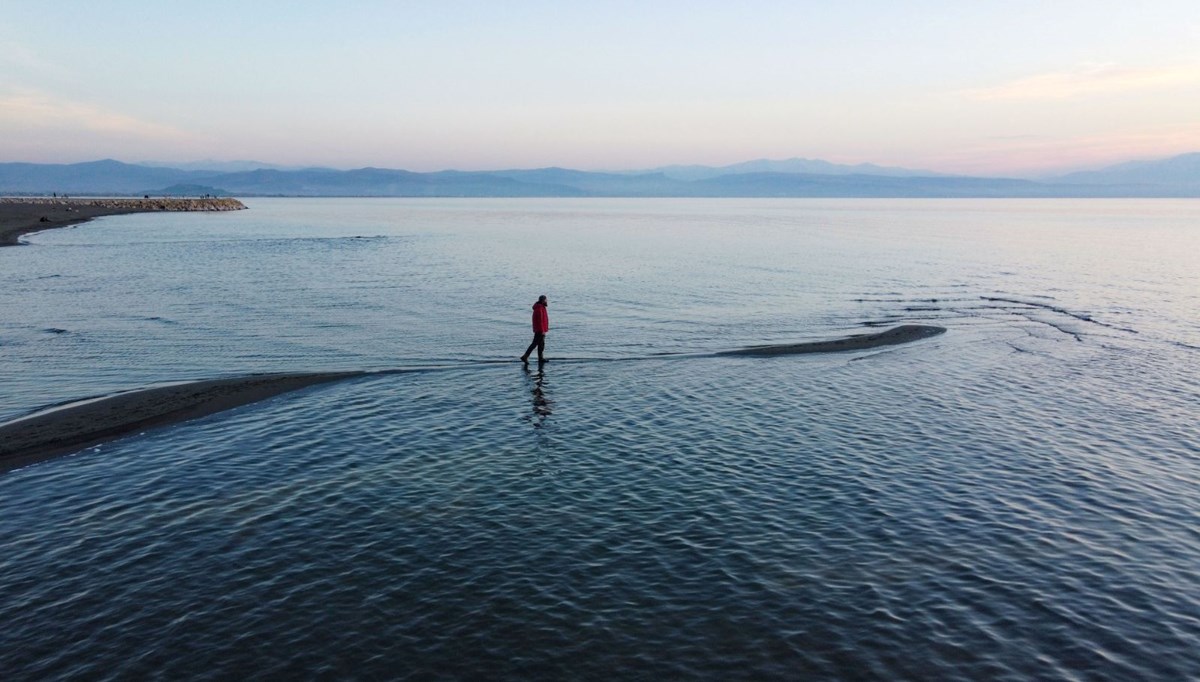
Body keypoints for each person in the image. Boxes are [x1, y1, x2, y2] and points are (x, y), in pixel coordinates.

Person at [521, 295, 549, 364]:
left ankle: (540, 358)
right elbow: (540, 320)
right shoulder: (540, 308)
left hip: (539, 329)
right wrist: (542, 330)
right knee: (535, 344)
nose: (547, 301)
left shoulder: (540, 307)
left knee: (541, 344)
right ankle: (525, 356)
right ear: (543, 300)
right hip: (540, 330)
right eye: (546, 300)